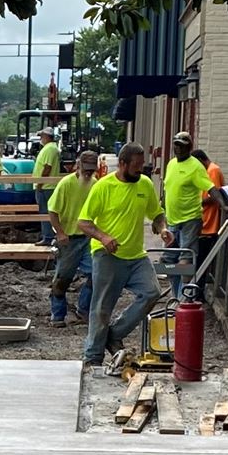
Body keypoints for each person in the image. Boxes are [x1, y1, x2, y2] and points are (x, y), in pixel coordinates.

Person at [81, 143, 165, 366]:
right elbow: (84, 222)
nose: (140, 170)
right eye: (136, 166)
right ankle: (93, 356)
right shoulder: (104, 187)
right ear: (122, 164)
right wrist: (104, 237)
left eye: (142, 166)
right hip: (107, 255)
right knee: (102, 307)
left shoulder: (145, 185)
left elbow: (156, 214)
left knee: (152, 292)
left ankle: (114, 334)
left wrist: (163, 228)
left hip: (136, 255)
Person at [46, 148, 100, 326]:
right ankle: (58, 314)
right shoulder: (66, 184)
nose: (88, 173)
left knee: (96, 274)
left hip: (88, 238)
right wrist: (60, 232)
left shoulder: (95, 184)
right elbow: (52, 211)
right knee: (63, 278)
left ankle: (83, 309)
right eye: (86, 170)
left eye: (91, 170)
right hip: (69, 239)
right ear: (78, 166)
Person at [161, 133, 214, 283]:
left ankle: (185, 297)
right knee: (168, 260)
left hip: (190, 219)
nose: (178, 148)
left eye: (182, 145)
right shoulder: (171, 164)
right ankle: (176, 294)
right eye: (176, 145)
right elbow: (168, 188)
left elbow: (211, 188)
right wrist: (160, 214)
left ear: (189, 147)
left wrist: (225, 204)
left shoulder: (196, 166)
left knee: (185, 257)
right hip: (172, 219)